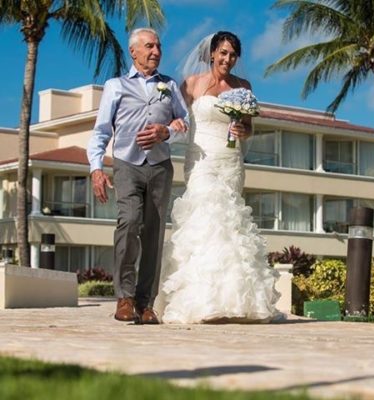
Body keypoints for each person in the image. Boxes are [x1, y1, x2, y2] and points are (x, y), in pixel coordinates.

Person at [154, 31, 281, 323]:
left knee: (231, 225)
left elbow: (248, 127)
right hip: (201, 160)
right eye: (223, 53)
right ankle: (200, 301)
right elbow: (176, 117)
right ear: (212, 53)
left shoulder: (243, 87)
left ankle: (233, 302)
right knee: (206, 220)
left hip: (231, 161)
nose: (228, 59)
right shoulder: (191, 83)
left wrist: (243, 131)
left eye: (233, 54)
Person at [87, 28, 188, 324]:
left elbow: (186, 125)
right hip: (127, 163)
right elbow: (102, 131)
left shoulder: (169, 85)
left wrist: (166, 132)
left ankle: (146, 304)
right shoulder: (115, 85)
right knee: (129, 222)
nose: (156, 51)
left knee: (154, 234)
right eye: (149, 46)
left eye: (158, 45)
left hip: (160, 166)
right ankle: (125, 297)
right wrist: (96, 167)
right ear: (133, 51)